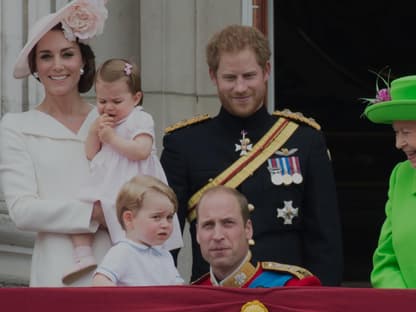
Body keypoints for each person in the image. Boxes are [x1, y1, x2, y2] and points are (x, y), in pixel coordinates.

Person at [160, 24, 343, 285]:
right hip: (214, 297)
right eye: (230, 78)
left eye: (249, 76)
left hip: (286, 296)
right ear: (213, 76)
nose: (240, 88)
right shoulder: (184, 145)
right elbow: (165, 239)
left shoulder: (304, 140)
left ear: (266, 71)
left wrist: (321, 302)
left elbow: (325, 241)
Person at [0, 0, 111, 286]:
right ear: (35, 66)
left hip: (116, 265)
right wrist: (94, 214)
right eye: (46, 56)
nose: (58, 65)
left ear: (83, 61)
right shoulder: (17, 127)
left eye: (67, 54)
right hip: (56, 272)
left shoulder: (111, 118)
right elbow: (22, 210)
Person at [62, 58, 183, 284]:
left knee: (131, 217)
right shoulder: (102, 121)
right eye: (102, 101)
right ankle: (83, 253)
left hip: (134, 181)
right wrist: (93, 133)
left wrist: (112, 138)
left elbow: (141, 151)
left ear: (136, 98)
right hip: (108, 179)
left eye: (117, 101)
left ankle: (138, 258)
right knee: (81, 208)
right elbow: (90, 153)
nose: (108, 107)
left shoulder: (140, 118)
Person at [193, 185, 321, 287]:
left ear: (248, 229)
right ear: (198, 233)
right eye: (208, 225)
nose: (217, 235)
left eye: (228, 223)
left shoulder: (292, 287)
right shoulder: (192, 297)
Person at [364, 74, 416, 288]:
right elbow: (386, 261)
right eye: (396, 132)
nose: (399, 143)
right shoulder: (401, 176)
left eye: (406, 132)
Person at [92, 175, 184, 286]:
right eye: (156, 217)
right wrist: (126, 300)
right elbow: (99, 282)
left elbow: (179, 288)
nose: (165, 224)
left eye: (169, 217)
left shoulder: (165, 255)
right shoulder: (123, 252)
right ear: (129, 219)